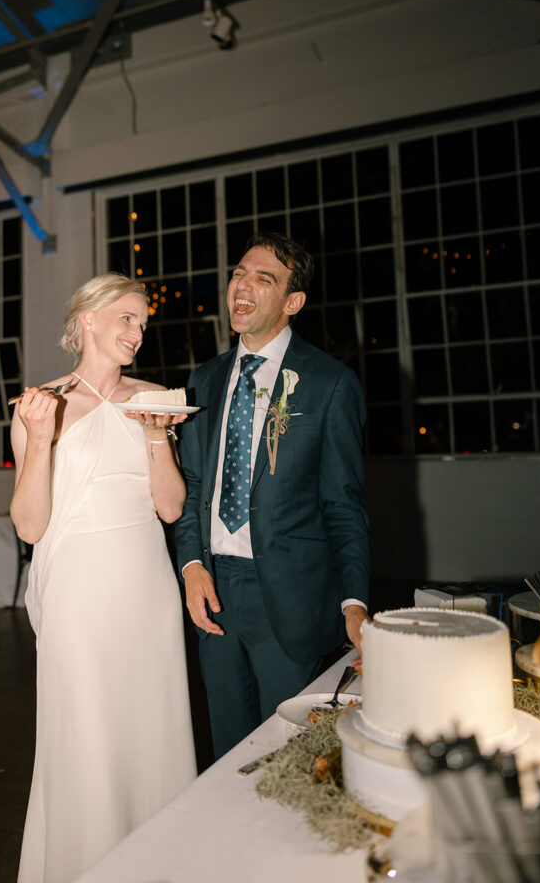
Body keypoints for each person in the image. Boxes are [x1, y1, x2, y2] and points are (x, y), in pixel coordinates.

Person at [11, 273, 196, 883]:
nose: (137, 333)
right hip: (78, 591)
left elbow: (170, 509)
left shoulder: (156, 398)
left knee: (152, 724)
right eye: (125, 318)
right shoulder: (42, 405)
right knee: (86, 731)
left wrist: (154, 437)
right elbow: (31, 527)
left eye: (142, 322)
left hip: (146, 582)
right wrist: (39, 441)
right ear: (87, 319)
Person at [176, 231, 370, 759]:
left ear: (292, 302)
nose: (244, 285)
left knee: (292, 757)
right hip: (214, 592)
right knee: (227, 754)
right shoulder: (204, 380)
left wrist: (354, 602)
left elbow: (344, 504)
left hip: (290, 599)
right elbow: (195, 488)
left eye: (264, 279)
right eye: (239, 273)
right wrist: (192, 565)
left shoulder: (330, 383)